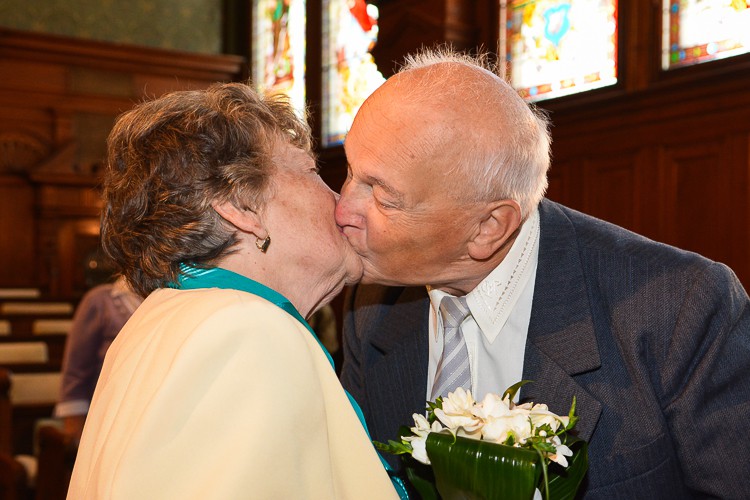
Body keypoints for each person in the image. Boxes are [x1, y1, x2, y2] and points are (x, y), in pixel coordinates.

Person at [335, 47, 750, 499]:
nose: (342, 210)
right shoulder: (371, 307)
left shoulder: (676, 309)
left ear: (488, 228)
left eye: (383, 197)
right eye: (351, 172)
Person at [67, 82, 401, 499]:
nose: (340, 201)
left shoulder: (168, 319)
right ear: (242, 207)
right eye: (311, 172)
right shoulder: (248, 331)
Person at [55, 275, 143, 442]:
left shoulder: (174, 297)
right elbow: (75, 372)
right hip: (107, 417)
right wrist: (76, 435)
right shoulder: (100, 300)